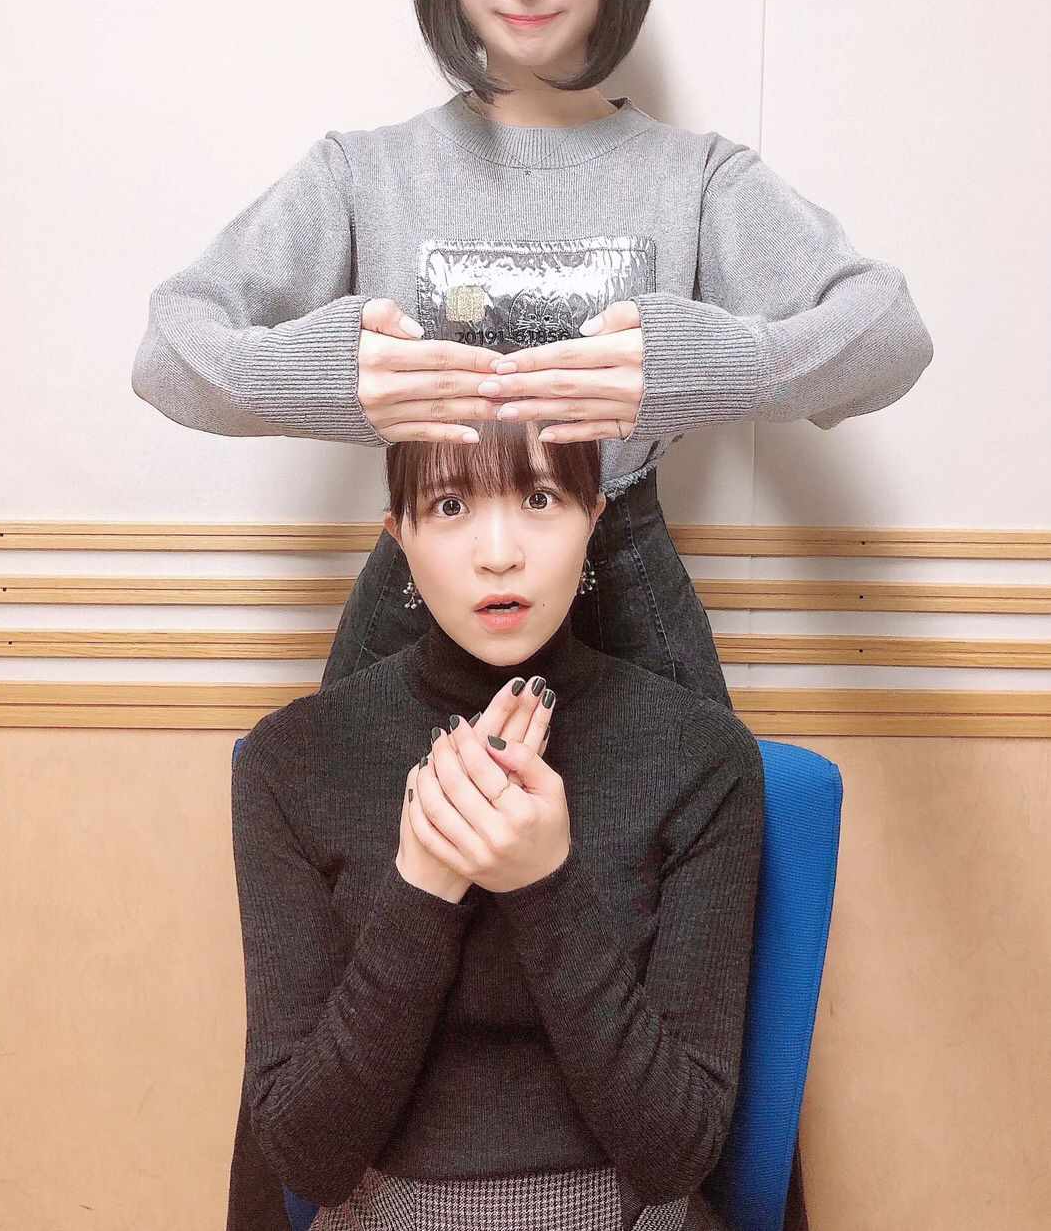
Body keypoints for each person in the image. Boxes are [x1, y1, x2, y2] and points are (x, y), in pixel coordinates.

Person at [130, 0, 933, 1226]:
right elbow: (169, 349)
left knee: (699, 1040)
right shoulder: (367, 173)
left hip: (634, 601)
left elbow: (888, 333)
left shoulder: (695, 177)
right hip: (412, 613)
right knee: (355, 998)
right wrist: (336, 378)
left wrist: (703, 358)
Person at [232, 419, 765, 1231]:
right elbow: (309, 1160)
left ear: (594, 514)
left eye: (540, 498)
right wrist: (424, 885)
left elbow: (677, 1154)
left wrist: (543, 884)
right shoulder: (291, 760)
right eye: (450, 505)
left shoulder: (703, 755)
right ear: (399, 535)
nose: (499, 553)